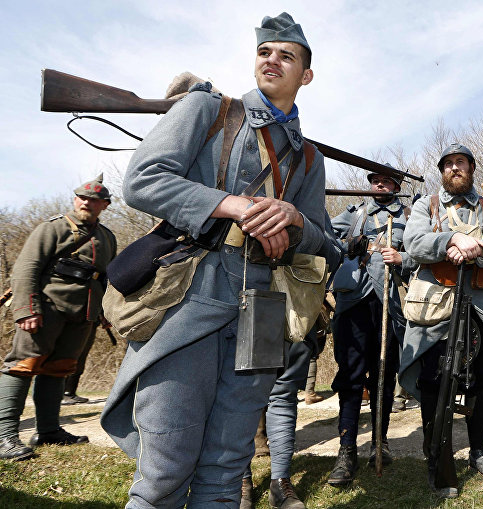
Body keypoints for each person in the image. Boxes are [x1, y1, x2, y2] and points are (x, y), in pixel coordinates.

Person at [100, 13, 327, 507]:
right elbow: (142, 181)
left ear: (305, 75)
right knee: (164, 472)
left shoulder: (308, 156)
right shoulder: (208, 109)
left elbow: (325, 240)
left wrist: (293, 219)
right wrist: (232, 205)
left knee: (226, 471)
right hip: (192, 295)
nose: (273, 60)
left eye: (287, 55)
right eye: (266, 51)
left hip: (264, 309)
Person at [399, 143, 483, 498]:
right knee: (434, 381)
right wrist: (450, 238)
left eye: (460, 162)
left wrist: (473, 247)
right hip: (436, 306)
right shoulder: (426, 205)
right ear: (442, 171)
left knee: (480, 381)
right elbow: (414, 241)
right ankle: (436, 455)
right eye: (448, 164)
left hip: (480, 305)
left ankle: (479, 453)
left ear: (471, 168)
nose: (454, 168)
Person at [0, 176, 116, 461]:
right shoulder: (53, 228)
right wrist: (27, 309)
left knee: (59, 368)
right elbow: (26, 269)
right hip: (46, 308)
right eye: (81, 197)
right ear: (75, 199)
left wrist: (105, 312)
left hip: (83, 313)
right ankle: (4, 436)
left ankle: (48, 431)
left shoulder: (107, 237)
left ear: (105, 205)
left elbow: (104, 277)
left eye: (93, 200)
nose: (86, 202)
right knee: (22, 366)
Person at [241, 213, 342, 509]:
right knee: (238, 396)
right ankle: (240, 479)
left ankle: (280, 482)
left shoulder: (306, 199)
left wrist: (296, 228)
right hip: (239, 301)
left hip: (293, 306)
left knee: (283, 396)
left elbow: (332, 253)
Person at [326, 168, 415, 486]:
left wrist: (401, 257)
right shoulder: (354, 213)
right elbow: (324, 237)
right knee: (350, 378)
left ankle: (381, 442)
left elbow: (420, 255)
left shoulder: (408, 215)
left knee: (384, 377)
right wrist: (348, 244)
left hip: (389, 308)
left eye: (386, 180)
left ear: (396, 186)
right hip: (352, 308)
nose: (379, 184)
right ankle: (346, 451)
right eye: (375, 180)